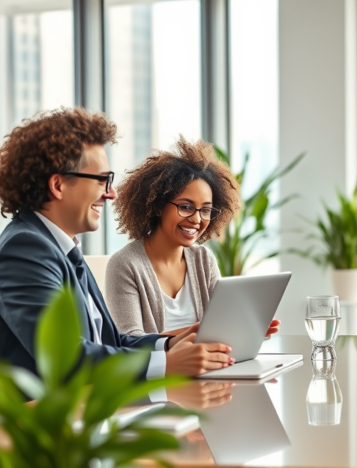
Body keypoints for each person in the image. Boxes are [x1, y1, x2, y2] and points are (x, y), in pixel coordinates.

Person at [0, 108, 234, 379]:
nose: (111, 193)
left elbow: (113, 343)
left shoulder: (62, 248)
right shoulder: (26, 249)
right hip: (50, 417)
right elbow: (63, 357)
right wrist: (167, 366)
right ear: (58, 185)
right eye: (102, 180)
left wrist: (172, 344)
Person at [105, 138, 279, 338]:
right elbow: (129, 341)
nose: (196, 219)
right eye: (186, 207)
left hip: (210, 367)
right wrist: (200, 332)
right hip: (160, 370)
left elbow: (222, 324)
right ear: (159, 206)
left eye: (205, 210)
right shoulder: (125, 265)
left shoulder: (203, 259)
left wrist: (244, 329)